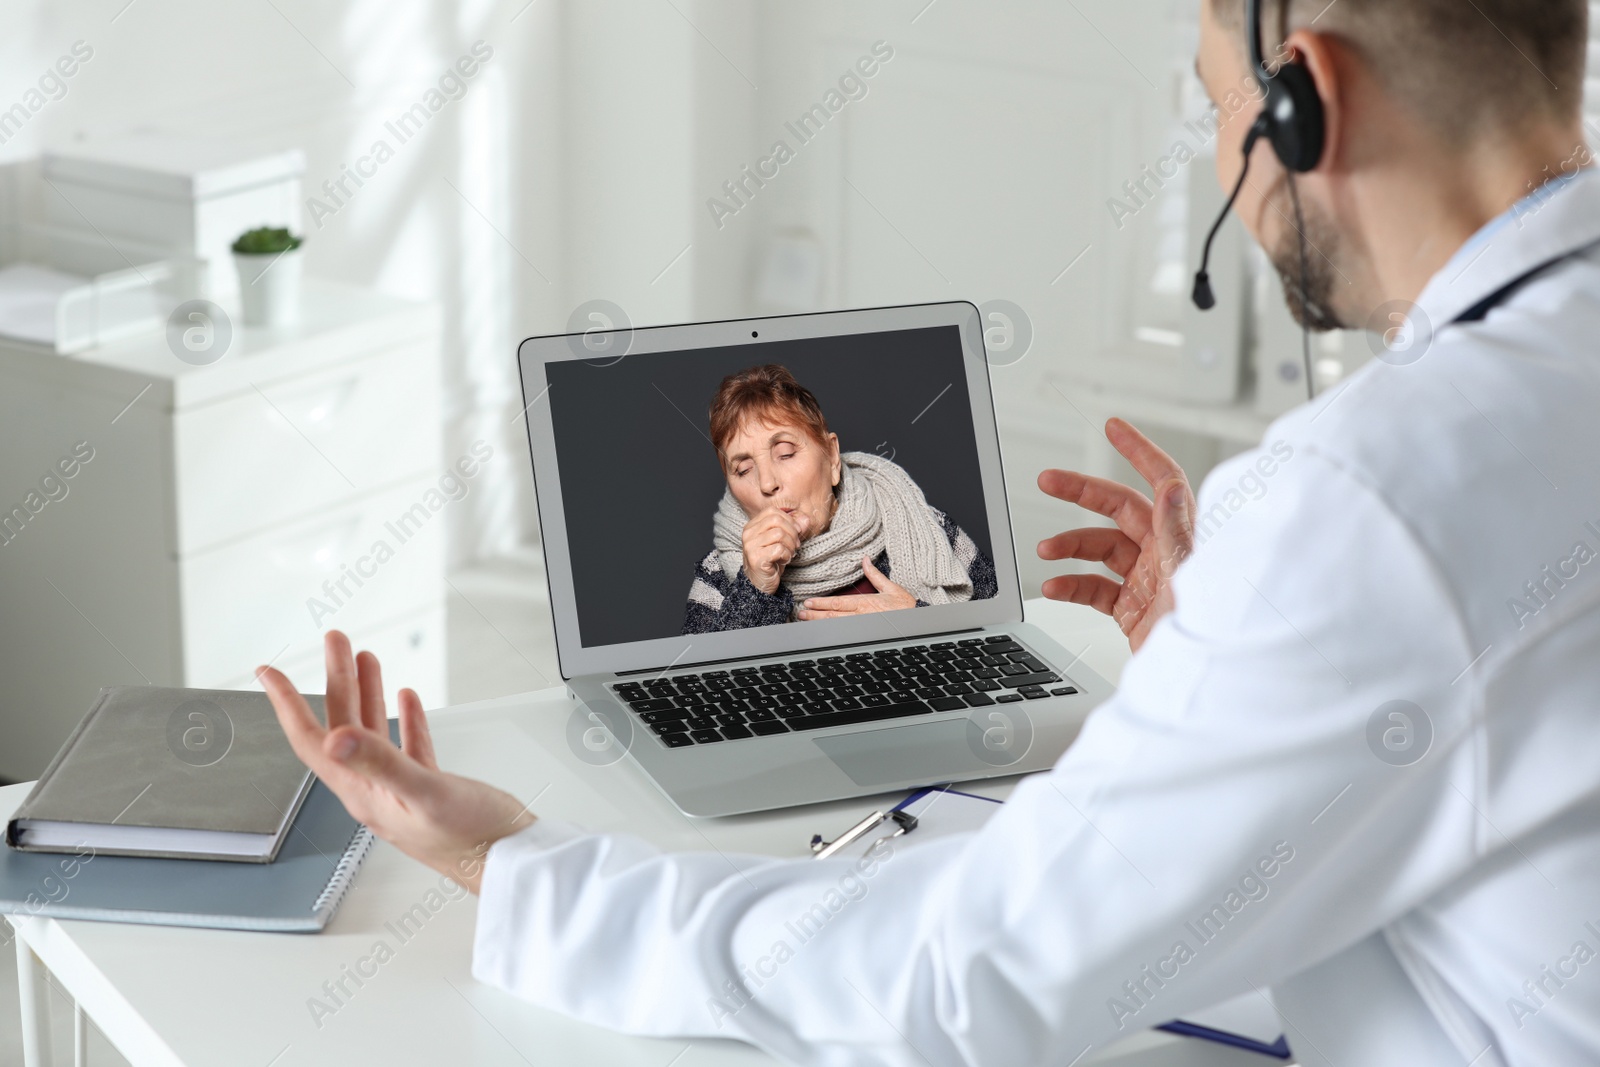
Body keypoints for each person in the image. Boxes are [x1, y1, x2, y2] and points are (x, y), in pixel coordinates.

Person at [259, 1, 1600, 1063]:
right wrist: (1237, 668)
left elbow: (969, 979)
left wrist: (510, 858)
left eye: (1218, 109)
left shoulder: (1375, 496)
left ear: (1308, 99)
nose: (1221, 164)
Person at [682, 363, 997, 634]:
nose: (767, 483)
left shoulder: (927, 527)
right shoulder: (716, 577)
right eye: (744, 469)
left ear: (832, 457)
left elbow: (997, 644)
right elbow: (702, 698)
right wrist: (755, 590)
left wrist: (915, 619)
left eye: (785, 453)